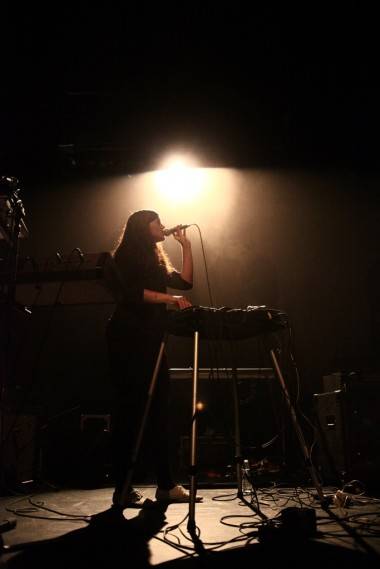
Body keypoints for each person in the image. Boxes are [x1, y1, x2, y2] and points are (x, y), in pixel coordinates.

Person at [106, 209, 199, 508]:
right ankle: (123, 487)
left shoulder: (157, 257)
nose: (163, 225)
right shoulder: (125, 256)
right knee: (132, 410)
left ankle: (165, 485)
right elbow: (133, 294)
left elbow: (185, 283)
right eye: (157, 221)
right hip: (129, 337)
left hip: (151, 337)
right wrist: (170, 300)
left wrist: (185, 246)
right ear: (143, 227)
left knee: (160, 408)